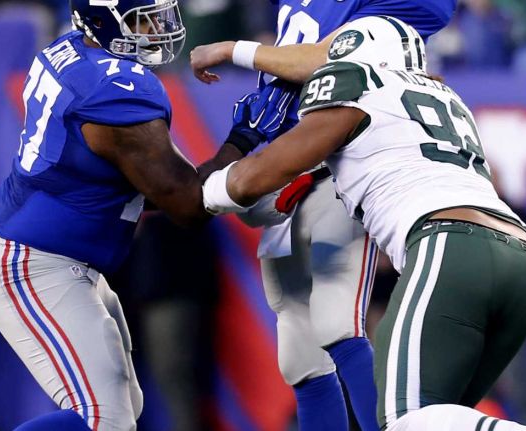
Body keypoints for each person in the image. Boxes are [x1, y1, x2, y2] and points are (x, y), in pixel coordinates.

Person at [200, 15, 526, 431]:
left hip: (450, 248)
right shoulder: (445, 96)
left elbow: (255, 178)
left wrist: (205, 193)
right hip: (521, 261)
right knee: (437, 420)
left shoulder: (356, 86)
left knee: (401, 420)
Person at [0, 1, 245, 430]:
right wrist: (243, 143)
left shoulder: (73, 52)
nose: (156, 28)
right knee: (103, 418)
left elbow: (145, 185)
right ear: (102, 20)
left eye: (158, 15)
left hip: (54, 254)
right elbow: (186, 203)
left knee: (123, 408)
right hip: (33, 262)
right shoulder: (112, 90)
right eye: (141, 19)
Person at [194, 1, 455, 430]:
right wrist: (231, 152)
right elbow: (277, 94)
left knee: (338, 323)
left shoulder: (385, 15)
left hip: (341, 165)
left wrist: (232, 48)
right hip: (291, 169)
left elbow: (324, 61)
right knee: (299, 353)